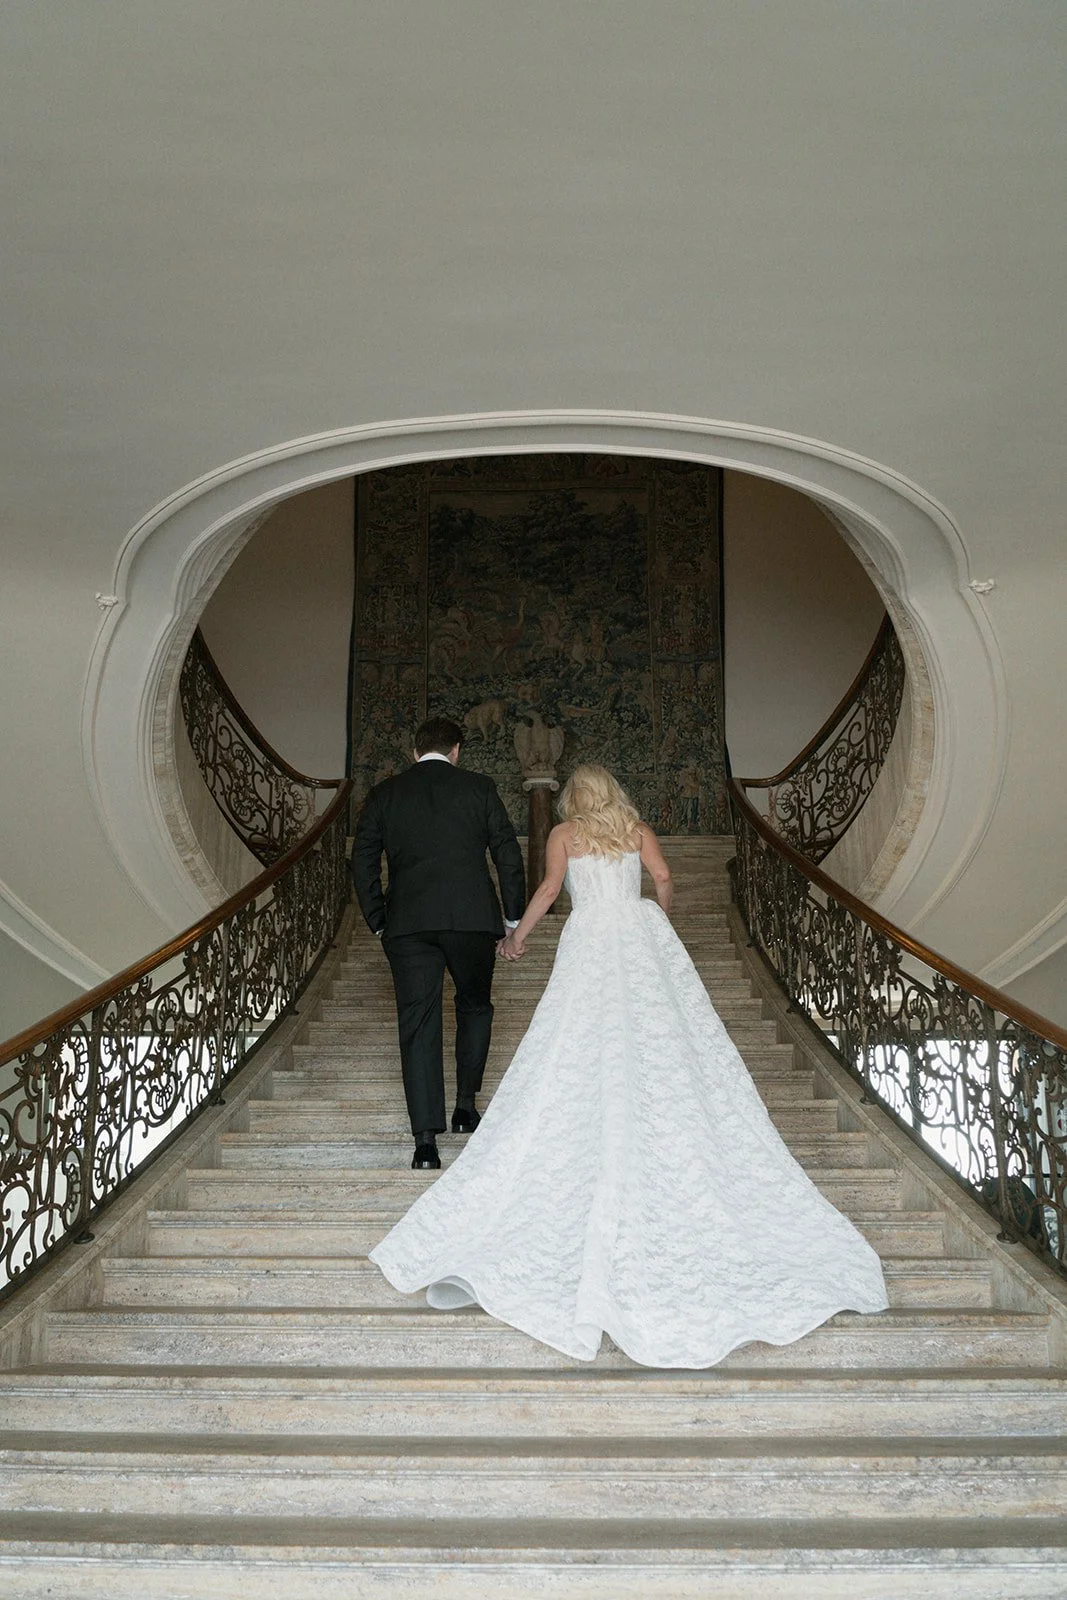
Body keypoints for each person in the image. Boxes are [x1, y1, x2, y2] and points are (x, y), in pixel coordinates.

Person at [369, 763, 888, 1368]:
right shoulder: (636, 828)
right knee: (662, 1033)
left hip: (589, 937)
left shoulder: (564, 836)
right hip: (638, 937)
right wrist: (657, 916)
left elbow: (544, 892)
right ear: (614, 791)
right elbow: (664, 879)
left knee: (577, 1033)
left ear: (573, 798)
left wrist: (518, 938)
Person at [352, 716, 526, 1171]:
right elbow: (507, 852)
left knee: (418, 1022)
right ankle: (466, 1108)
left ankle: (425, 1143)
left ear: (414, 752)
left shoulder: (386, 793)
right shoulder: (479, 788)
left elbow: (362, 858)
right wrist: (511, 918)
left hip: (407, 925)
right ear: (457, 751)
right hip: (471, 920)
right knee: (475, 1006)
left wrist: (377, 919)